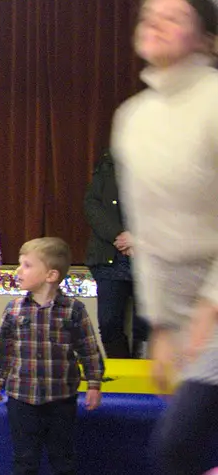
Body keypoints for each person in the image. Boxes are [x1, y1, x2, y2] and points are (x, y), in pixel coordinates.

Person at [106, 0, 218, 475]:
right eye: (150, 11)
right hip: (192, 310)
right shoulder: (133, 118)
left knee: (178, 441)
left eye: (174, 16)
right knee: (176, 444)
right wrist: (165, 326)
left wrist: (206, 308)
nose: (156, 21)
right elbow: (147, 235)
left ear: (204, 37)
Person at [0, 237, 104, 475]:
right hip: (22, 397)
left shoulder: (73, 310)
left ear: (51, 275)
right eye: (19, 264)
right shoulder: (14, 309)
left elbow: (88, 348)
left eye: (27, 265)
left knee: (63, 454)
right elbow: (2, 349)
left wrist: (93, 383)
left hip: (60, 397)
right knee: (25, 455)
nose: (18, 271)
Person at [85, 151, 149, 359]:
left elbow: (172, 210)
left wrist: (139, 238)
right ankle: (122, 373)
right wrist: (119, 235)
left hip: (150, 257)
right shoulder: (107, 165)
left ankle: (143, 378)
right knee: (109, 322)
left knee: (147, 323)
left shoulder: (165, 166)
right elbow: (92, 205)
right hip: (110, 256)